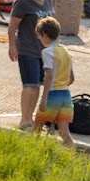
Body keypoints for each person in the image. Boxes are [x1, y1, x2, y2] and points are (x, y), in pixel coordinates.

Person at [6, 0, 53, 130]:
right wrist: (12, 46)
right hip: (27, 49)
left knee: (37, 85)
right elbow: (13, 26)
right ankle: (24, 119)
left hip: (44, 51)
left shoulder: (48, 1)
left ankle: (30, 118)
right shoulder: (23, 2)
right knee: (29, 85)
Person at [33, 17, 75, 147]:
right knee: (64, 132)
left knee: (36, 128)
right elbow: (72, 78)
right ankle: (71, 154)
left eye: (39, 36)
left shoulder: (47, 52)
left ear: (45, 35)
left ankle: (31, 153)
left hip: (53, 94)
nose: (39, 39)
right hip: (66, 95)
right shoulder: (66, 52)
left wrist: (44, 98)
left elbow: (49, 75)